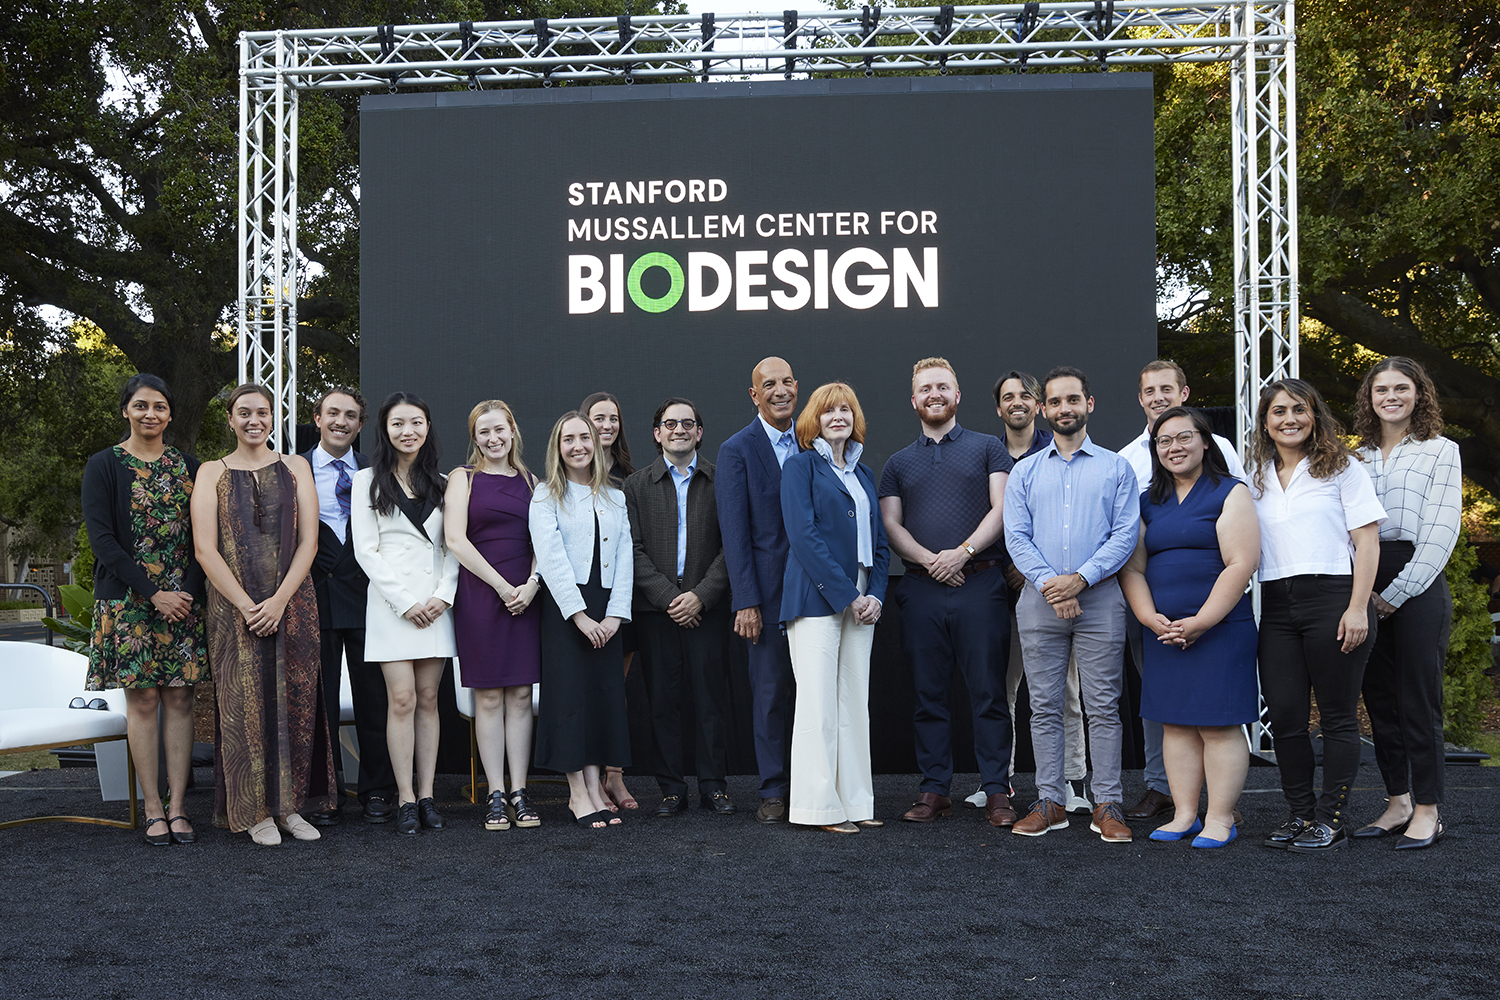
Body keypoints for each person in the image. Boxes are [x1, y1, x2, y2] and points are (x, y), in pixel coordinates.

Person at [192, 383, 336, 846]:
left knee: (295, 704)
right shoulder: (211, 471)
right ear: (230, 419)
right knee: (243, 706)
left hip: (293, 604)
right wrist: (246, 604)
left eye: (263, 412)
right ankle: (255, 812)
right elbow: (204, 549)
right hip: (233, 609)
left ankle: (292, 809)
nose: (255, 420)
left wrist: (278, 602)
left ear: (274, 419)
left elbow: (310, 542)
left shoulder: (295, 467)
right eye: (244, 412)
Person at [1004, 366, 1139, 843]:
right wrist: (1052, 585)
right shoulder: (1024, 472)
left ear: (1089, 404)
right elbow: (1015, 537)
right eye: (1056, 402)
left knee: (1103, 706)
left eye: (1073, 400)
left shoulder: (1116, 468)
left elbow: (1124, 536)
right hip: (1040, 604)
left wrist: (1080, 580)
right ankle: (1051, 801)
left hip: (1100, 601)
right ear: (1044, 410)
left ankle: (1107, 802)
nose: (1065, 408)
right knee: (1043, 707)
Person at [1250, 378, 1385, 853]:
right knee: (1285, 716)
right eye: (1278, 412)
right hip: (1278, 605)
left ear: (1315, 414)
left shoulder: (1344, 468)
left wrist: (1357, 607)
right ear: (1265, 422)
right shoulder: (1256, 476)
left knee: (1337, 718)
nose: (1289, 419)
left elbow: (1368, 542)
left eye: (1298, 410)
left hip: (1335, 597)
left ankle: (1331, 818)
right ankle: (1300, 814)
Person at [880, 359, 1016, 828]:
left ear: (957, 396)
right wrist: (931, 561)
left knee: (988, 693)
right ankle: (934, 789)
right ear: (913, 400)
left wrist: (961, 553)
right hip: (920, 588)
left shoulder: (988, 448)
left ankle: (997, 789)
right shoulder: (898, 462)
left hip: (980, 581)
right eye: (925, 388)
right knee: (928, 696)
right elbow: (891, 524)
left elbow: (1003, 508)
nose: (934, 394)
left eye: (942, 386)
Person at [1119, 407, 1260, 848]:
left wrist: (1202, 621)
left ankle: (1219, 818)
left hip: (1219, 627)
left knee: (1218, 725)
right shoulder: (1146, 501)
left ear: (1205, 442)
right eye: (1164, 441)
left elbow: (1241, 563)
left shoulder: (1230, 492)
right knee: (1175, 725)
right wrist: (1147, 616)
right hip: (1163, 631)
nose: (1174, 447)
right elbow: (1134, 569)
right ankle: (1183, 815)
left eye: (1184, 437)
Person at [83, 373, 208, 846]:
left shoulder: (190, 466)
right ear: (126, 411)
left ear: (170, 414)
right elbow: (103, 542)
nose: (149, 414)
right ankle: (152, 809)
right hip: (129, 602)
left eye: (158, 407)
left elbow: (204, 539)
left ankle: (178, 807)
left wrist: (186, 595)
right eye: (140, 406)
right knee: (144, 701)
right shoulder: (104, 465)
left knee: (179, 699)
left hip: (184, 602)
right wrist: (154, 593)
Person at [1350, 357, 1460, 850]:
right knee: (1380, 702)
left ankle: (1429, 809)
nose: (1390, 396)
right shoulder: (1355, 457)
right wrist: (1360, 594)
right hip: (1364, 581)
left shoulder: (1441, 451)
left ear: (1420, 393)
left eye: (1401, 388)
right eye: (1381, 389)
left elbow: (1441, 535)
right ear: (1369, 399)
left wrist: (1390, 597)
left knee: (1419, 702)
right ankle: (1397, 801)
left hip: (1417, 581)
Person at [781, 382, 890, 833]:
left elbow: (880, 545)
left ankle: (856, 802)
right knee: (818, 704)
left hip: (863, 595)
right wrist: (849, 595)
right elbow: (803, 537)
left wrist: (876, 596)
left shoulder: (865, 474)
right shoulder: (800, 466)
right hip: (817, 594)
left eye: (846, 409)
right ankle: (817, 808)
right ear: (815, 420)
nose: (838, 417)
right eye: (829, 411)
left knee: (853, 702)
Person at [349, 392, 460, 836]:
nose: (407, 431)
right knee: (402, 700)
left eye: (416, 422)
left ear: (427, 428)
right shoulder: (365, 482)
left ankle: (428, 795)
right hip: (393, 608)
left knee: (430, 701)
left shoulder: (447, 481)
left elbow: (455, 546)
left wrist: (443, 595)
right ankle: (405, 798)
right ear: (385, 430)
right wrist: (405, 601)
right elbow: (366, 551)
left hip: (435, 607)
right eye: (398, 424)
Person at [622, 398, 735, 817]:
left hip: (709, 609)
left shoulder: (721, 480)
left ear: (699, 432)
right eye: (670, 424)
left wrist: (701, 595)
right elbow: (630, 550)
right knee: (661, 702)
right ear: (657, 433)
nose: (679, 430)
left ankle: (714, 785)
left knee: (711, 700)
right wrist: (671, 598)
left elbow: (733, 547)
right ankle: (671, 788)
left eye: (688, 423)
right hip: (658, 612)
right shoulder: (635, 485)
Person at [530, 412, 634, 828]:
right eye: (568, 439)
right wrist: (580, 617)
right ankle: (577, 793)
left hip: (606, 610)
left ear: (596, 444)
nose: (578, 446)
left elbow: (625, 555)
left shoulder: (615, 496)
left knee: (600, 699)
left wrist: (614, 616)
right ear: (558, 447)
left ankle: (595, 787)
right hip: (565, 611)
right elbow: (551, 558)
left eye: (584, 438)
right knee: (571, 699)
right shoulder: (544, 495)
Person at [992, 371, 1090, 815]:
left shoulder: (1061, 451)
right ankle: (1004, 780)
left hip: (1055, 590)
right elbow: (1003, 523)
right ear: (999, 408)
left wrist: (1043, 580)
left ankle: (1071, 783)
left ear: (1040, 406)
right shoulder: (988, 453)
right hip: (999, 589)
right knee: (1004, 689)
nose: (1017, 403)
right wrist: (1016, 572)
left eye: (1024, 396)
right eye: (1007, 397)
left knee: (1064, 690)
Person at [445, 400, 543, 832]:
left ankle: (521, 792)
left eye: (500, 429)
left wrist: (532, 584)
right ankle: (496, 794)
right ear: (475, 436)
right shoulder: (461, 479)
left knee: (521, 695)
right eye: (484, 431)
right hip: (481, 598)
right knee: (487, 697)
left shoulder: (532, 481)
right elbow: (456, 540)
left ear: (513, 430)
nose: (493, 438)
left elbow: (545, 538)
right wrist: (502, 586)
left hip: (526, 596)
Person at [302, 387, 396, 825]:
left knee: (374, 701)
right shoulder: (292, 470)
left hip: (368, 600)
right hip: (311, 600)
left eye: (351, 416)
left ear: (360, 426)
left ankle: (377, 790)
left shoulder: (379, 474)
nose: (341, 421)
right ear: (317, 418)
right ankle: (323, 792)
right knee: (317, 702)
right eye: (333, 413)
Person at [716, 356, 802, 824]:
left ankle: (810, 785)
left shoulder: (813, 441)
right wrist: (746, 600)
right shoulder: (737, 449)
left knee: (815, 694)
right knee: (769, 696)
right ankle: (772, 789)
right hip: (765, 597)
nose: (779, 390)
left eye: (787, 381)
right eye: (768, 384)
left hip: (816, 593)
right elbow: (734, 531)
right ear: (755, 395)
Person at [581, 390, 639, 814]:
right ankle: (590, 780)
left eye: (613, 418)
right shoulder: (569, 475)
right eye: (598, 418)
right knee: (589, 690)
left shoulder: (629, 477)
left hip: (622, 598)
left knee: (615, 689)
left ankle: (614, 776)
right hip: (582, 601)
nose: (606, 425)